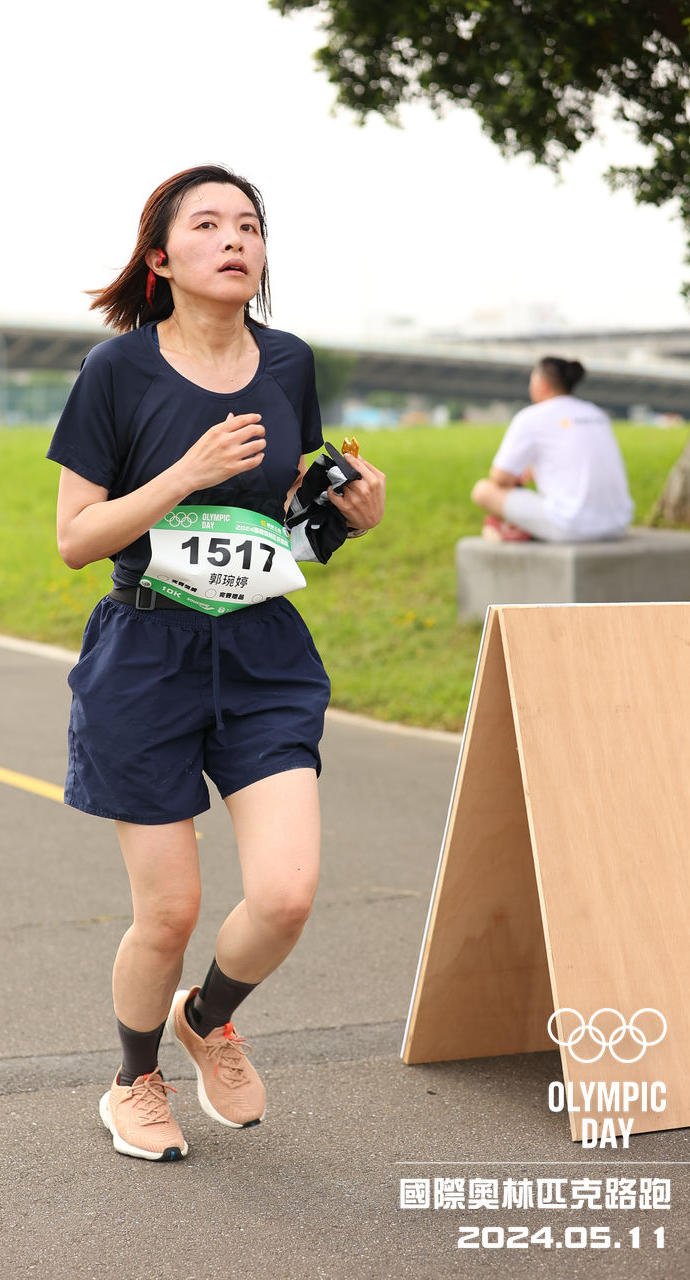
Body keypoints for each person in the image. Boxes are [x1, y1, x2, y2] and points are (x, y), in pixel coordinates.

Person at [46, 164, 386, 1162]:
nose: (234, 239)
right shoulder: (117, 371)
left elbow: (279, 525)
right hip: (146, 653)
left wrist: (346, 515)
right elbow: (75, 538)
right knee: (170, 910)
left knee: (284, 893)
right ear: (160, 258)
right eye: (207, 225)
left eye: (249, 225)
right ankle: (133, 1079)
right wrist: (184, 472)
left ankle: (208, 1018)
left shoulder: (287, 362)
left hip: (262, 652)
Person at [470, 357, 634, 542]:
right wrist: (534, 470)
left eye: (532, 381)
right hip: (617, 524)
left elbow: (499, 477)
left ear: (544, 385)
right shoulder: (596, 414)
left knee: (483, 490)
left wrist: (519, 477)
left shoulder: (531, 417)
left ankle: (515, 526)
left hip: (571, 526)